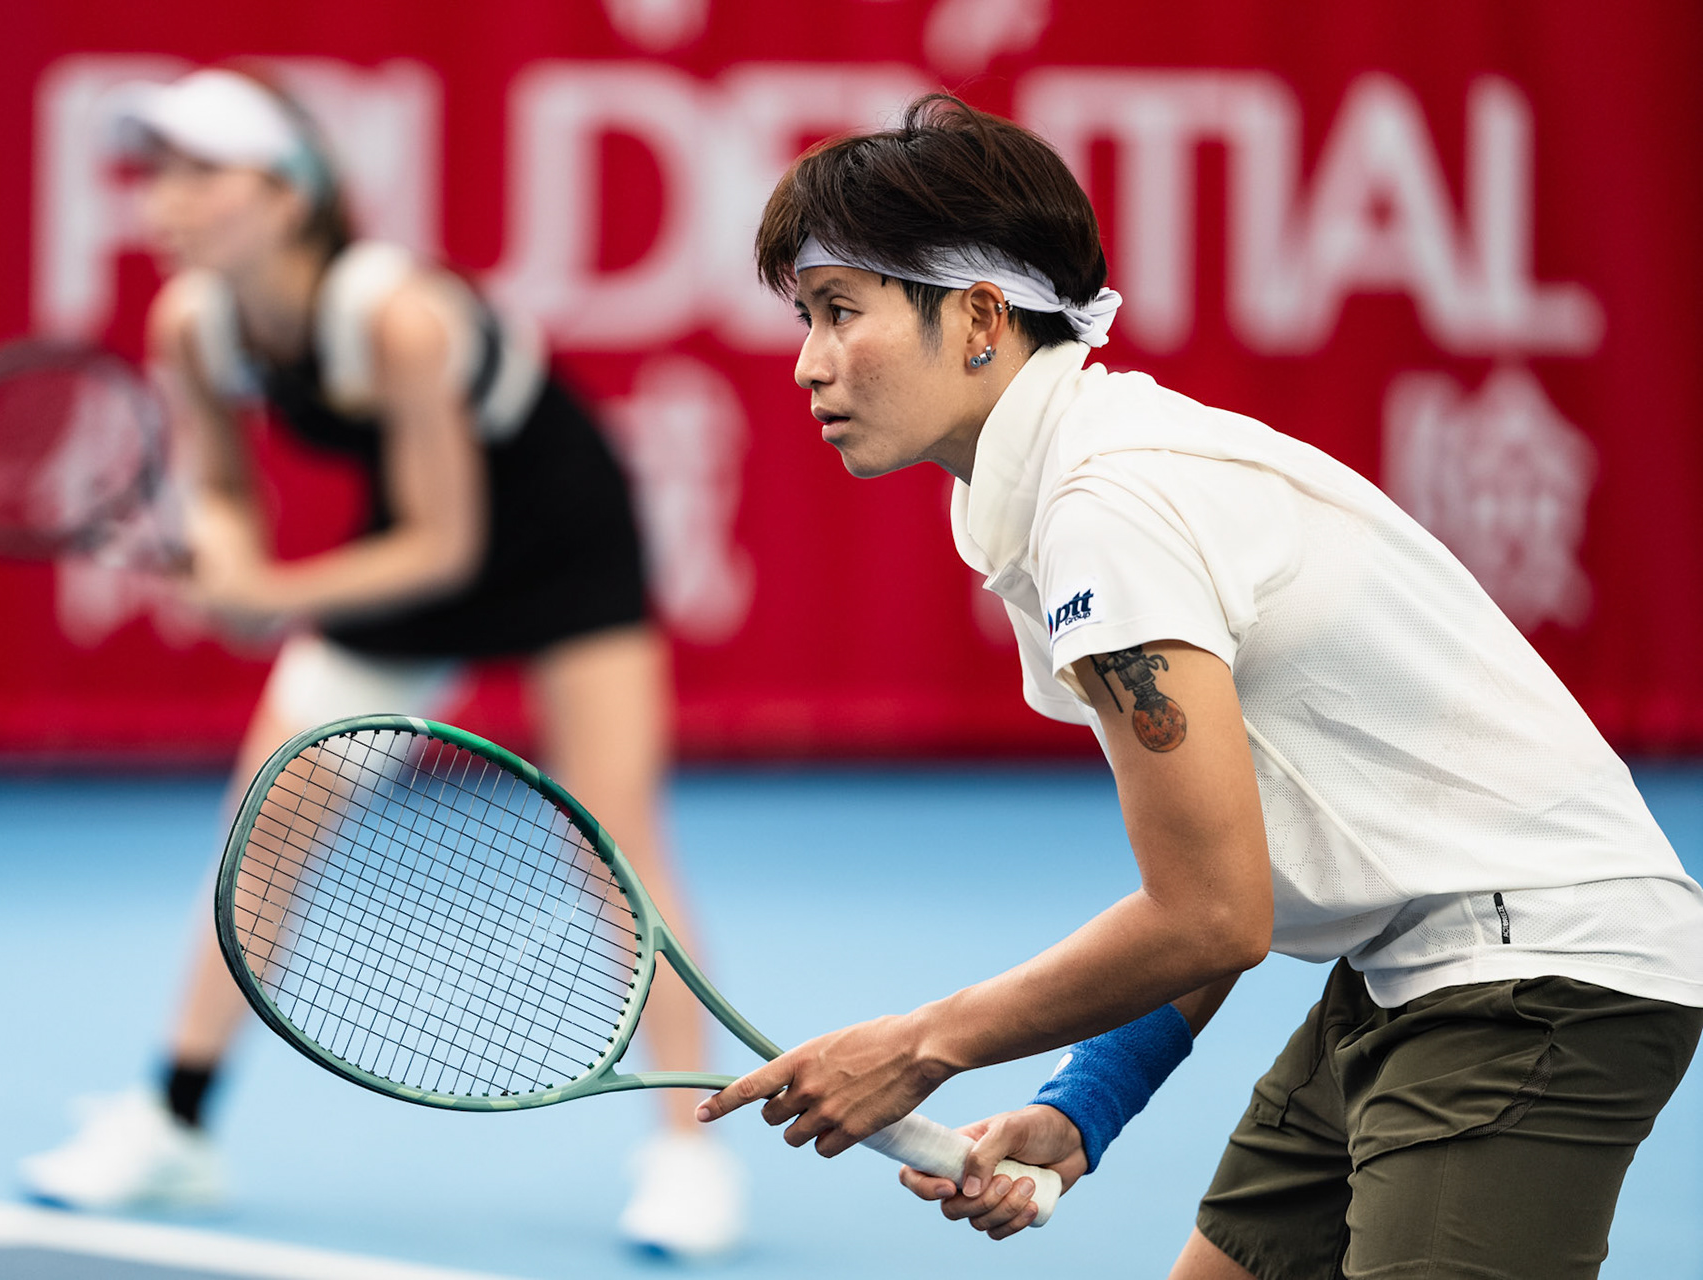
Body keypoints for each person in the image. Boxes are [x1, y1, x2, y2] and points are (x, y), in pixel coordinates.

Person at [695, 93, 1703, 1278]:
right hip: (1405, 964)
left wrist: (921, 1045)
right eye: (804, 318)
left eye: (838, 312)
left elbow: (1212, 912)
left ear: (976, 317)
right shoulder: (1051, 487)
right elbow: (1234, 865)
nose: (809, 363)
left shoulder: (1109, 507)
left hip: (1529, 976)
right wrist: (1085, 1105)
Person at [17, 66, 743, 1259]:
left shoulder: (397, 316)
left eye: (204, 173)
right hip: (401, 552)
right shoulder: (193, 322)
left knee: (610, 838)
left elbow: (446, 542)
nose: (168, 202)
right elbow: (221, 491)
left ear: (290, 192)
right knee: (273, 812)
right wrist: (236, 567)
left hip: (559, 539)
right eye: (157, 174)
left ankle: (686, 1147)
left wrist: (275, 595)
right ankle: (175, 1121)